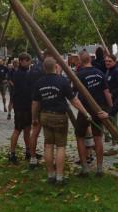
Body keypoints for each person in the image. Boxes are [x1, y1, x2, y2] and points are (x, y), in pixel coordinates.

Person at [32, 57, 91, 186]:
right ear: (56, 67)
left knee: (48, 145)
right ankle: (59, 177)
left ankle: (50, 175)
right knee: (60, 146)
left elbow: (35, 103)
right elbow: (73, 100)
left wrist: (34, 118)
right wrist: (84, 112)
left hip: (45, 115)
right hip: (59, 116)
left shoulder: (39, 82)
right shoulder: (62, 81)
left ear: (44, 68)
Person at [73, 51, 112, 177]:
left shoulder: (79, 75)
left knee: (80, 137)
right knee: (98, 137)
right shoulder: (100, 73)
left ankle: (85, 168)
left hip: (85, 110)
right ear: (90, 59)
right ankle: (100, 168)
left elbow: (74, 95)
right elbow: (107, 92)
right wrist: (111, 109)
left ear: (80, 60)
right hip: (99, 109)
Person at [7, 53, 35, 164]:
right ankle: (12, 154)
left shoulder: (24, 72)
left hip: (26, 105)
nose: (29, 63)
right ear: (22, 61)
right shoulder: (20, 74)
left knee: (27, 129)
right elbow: (25, 90)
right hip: (20, 105)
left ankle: (28, 151)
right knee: (18, 129)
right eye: (28, 61)